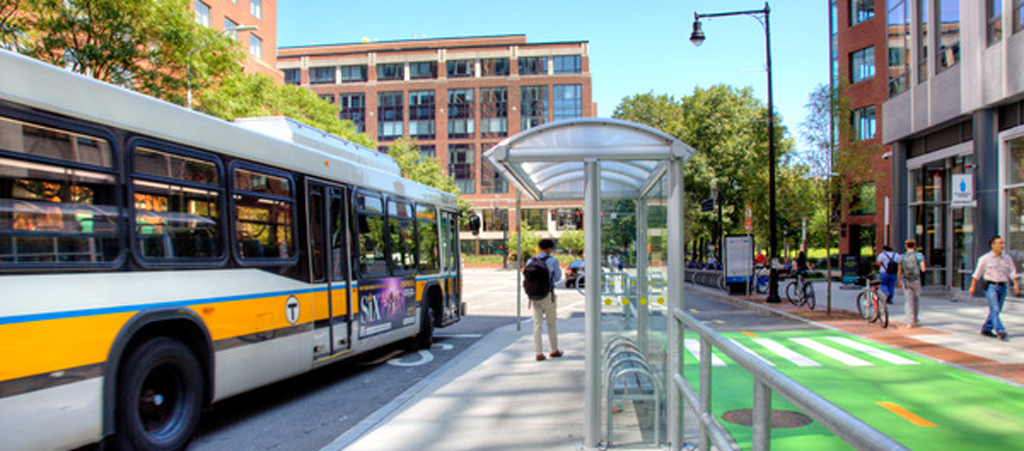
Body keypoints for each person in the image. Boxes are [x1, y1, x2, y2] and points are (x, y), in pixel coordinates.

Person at [969, 235, 1019, 341]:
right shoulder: (985, 258)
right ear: (993, 245)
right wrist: (972, 286)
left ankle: (986, 328)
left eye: (1003, 243)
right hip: (990, 286)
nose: (1002, 245)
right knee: (995, 308)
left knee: (996, 310)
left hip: (1002, 287)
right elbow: (977, 273)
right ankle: (1000, 330)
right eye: (1000, 243)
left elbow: (1012, 271)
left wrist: (1015, 284)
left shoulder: (1007, 258)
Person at [527, 239, 563, 360]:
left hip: (534, 296)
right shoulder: (552, 261)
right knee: (551, 323)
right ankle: (553, 349)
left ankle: (538, 352)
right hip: (548, 295)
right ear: (549, 249)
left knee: (537, 324)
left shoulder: (530, 261)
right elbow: (557, 278)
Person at [897, 240, 925, 328]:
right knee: (916, 300)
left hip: (906, 280)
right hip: (916, 279)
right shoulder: (919, 256)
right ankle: (915, 319)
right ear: (915, 246)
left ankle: (908, 321)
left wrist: (899, 281)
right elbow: (923, 269)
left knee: (907, 301)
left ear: (906, 246)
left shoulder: (902, 257)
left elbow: (900, 270)